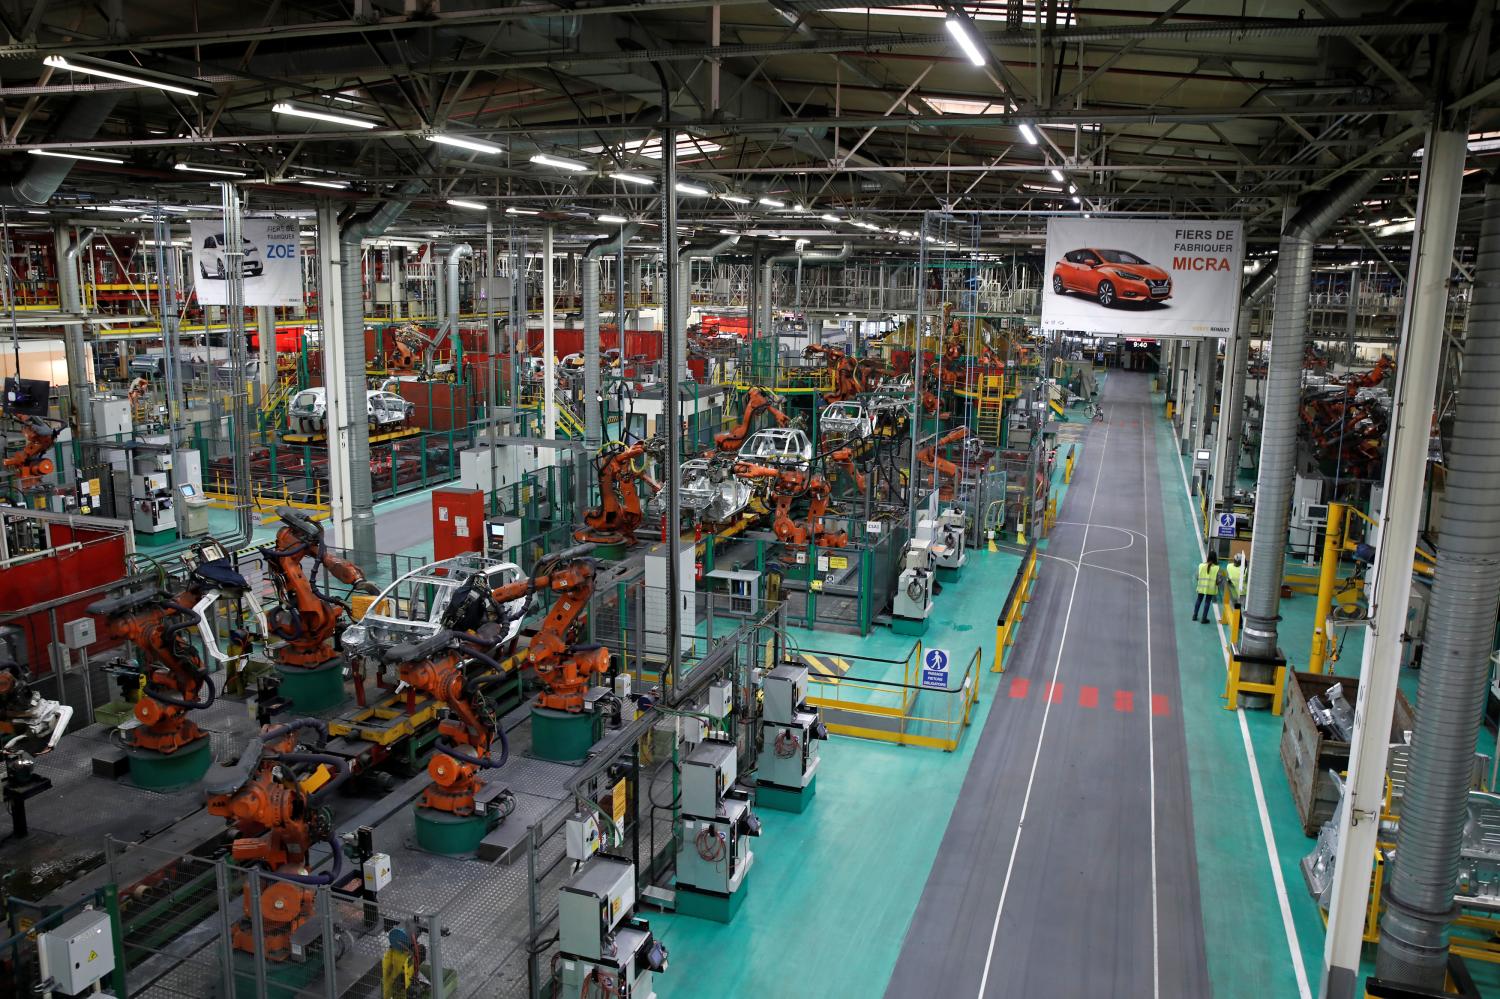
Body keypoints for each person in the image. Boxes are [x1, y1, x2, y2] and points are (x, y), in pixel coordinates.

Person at [1193, 551, 1224, 624]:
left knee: (1199, 600)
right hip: (1210, 589)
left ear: (1208, 557)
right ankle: (1204, 619)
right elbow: (1219, 580)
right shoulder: (1217, 568)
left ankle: (1194, 615)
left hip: (1201, 587)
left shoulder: (1201, 565)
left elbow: (1197, 576)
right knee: (1207, 602)